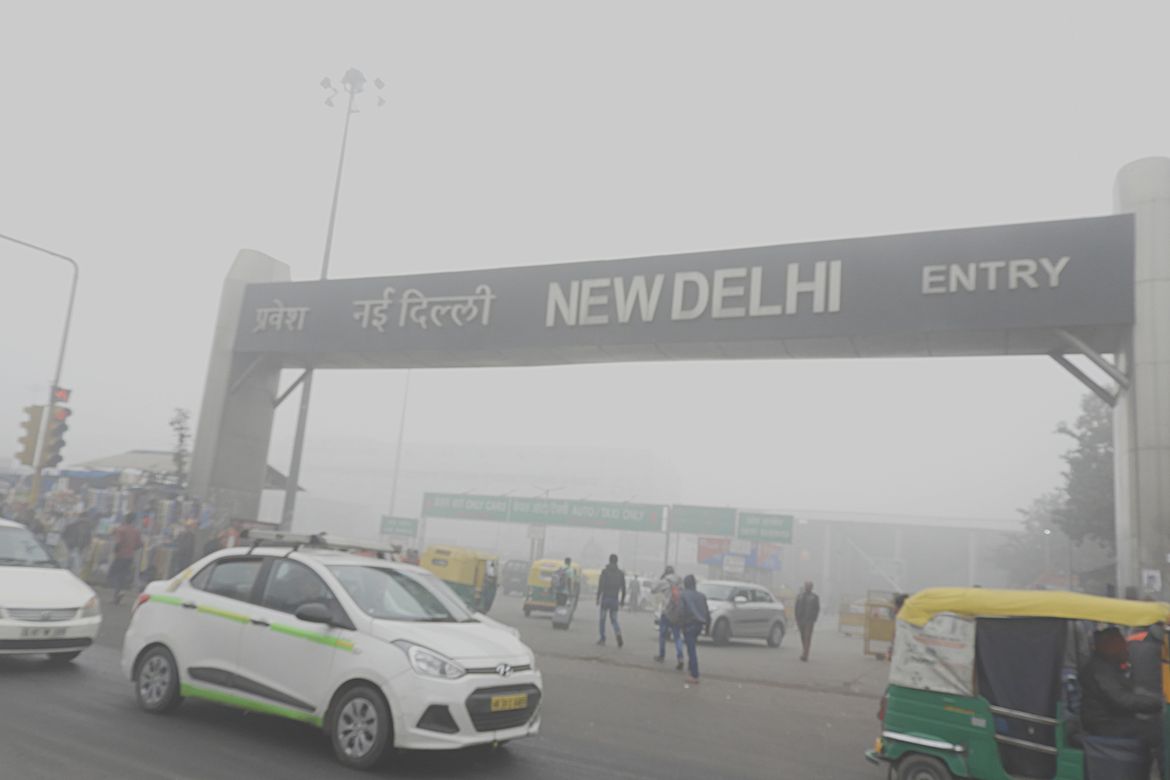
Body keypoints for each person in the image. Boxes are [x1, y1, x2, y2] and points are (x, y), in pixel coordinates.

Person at [1080, 627, 1162, 744]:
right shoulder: (1100, 671)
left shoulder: (1108, 666)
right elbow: (1122, 699)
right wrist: (1158, 703)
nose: (1126, 647)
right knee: (1160, 732)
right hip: (1105, 724)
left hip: (1115, 719)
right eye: (1122, 644)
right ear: (1110, 647)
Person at [1127, 625, 1165, 772]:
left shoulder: (1132, 640)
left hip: (1136, 703)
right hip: (1158, 704)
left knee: (1140, 751)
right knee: (1162, 751)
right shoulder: (1163, 643)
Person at [652, 566, 685, 670]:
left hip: (667, 611)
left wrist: (661, 578)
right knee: (677, 637)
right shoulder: (680, 581)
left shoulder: (665, 581)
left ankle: (661, 655)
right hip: (678, 612)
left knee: (662, 635)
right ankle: (680, 658)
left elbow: (653, 590)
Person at [680, 574, 710, 684]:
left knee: (691, 649)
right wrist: (707, 627)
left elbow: (681, 611)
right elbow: (707, 612)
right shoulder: (701, 596)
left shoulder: (683, 595)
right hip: (699, 625)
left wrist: (681, 625)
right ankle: (690, 668)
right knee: (692, 647)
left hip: (689, 624)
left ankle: (694, 674)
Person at [108, 513, 143, 605]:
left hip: (120, 556)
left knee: (113, 574)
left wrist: (116, 550)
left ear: (125, 519)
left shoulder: (121, 530)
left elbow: (118, 542)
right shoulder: (136, 531)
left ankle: (118, 592)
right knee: (123, 575)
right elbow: (139, 544)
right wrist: (132, 548)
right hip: (130, 556)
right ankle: (120, 592)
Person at [596, 554, 626, 647]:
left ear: (609, 560)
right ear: (617, 561)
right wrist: (622, 601)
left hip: (605, 598)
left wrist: (598, 598)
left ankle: (602, 638)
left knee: (602, 620)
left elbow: (600, 586)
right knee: (614, 620)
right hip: (614, 599)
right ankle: (618, 634)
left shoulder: (605, 572)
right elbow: (624, 589)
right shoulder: (620, 573)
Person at [795, 581, 821, 662]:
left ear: (812, 587)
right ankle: (804, 650)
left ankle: (805, 654)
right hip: (801, 619)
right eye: (806, 586)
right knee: (802, 636)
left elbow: (817, 608)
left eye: (809, 586)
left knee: (807, 637)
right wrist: (796, 618)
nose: (807, 587)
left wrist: (814, 618)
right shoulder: (800, 596)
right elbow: (796, 607)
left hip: (809, 620)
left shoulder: (814, 597)